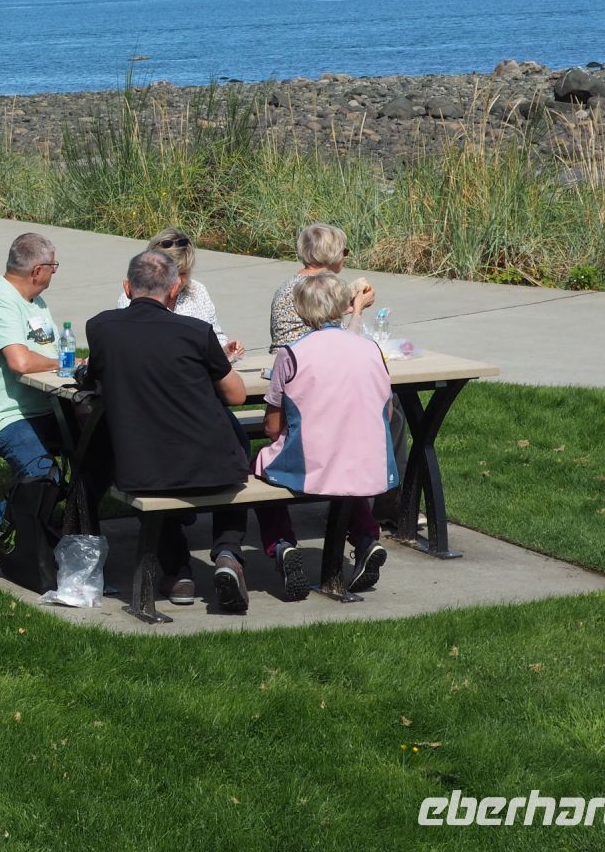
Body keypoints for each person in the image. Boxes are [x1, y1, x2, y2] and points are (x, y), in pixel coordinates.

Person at [83, 249, 253, 613]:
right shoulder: (196, 332)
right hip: (215, 469)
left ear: (127, 288)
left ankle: (178, 573)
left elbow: (94, 376)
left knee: (163, 460)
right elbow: (237, 395)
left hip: (140, 469)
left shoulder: (100, 329)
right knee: (238, 446)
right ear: (175, 290)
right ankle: (226, 552)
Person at [254, 274, 396, 598]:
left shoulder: (291, 354)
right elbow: (386, 413)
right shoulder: (371, 349)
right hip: (368, 461)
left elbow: (272, 427)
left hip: (311, 467)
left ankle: (282, 545)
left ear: (302, 311)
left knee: (258, 469)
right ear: (343, 306)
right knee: (346, 464)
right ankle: (365, 538)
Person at [0, 233, 65, 567]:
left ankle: (68, 526)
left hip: (39, 406)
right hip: (0, 413)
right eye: (54, 266)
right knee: (43, 471)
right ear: (37, 270)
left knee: (93, 450)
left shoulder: (36, 302)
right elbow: (20, 362)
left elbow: (47, 350)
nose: (55, 273)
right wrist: (65, 365)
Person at [116, 227, 243, 361]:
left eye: (184, 273)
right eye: (173, 273)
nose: (179, 280)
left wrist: (225, 349)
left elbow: (214, 335)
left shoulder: (198, 291)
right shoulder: (131, 299)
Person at [269, 222, 375, 351]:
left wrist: (344, 307)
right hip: (304, 359)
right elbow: (346, 344)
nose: (344, 257)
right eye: (344, 252)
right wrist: (359, 308)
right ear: (332, 254)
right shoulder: (317, 287)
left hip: (286, 355)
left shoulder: (293, 283)